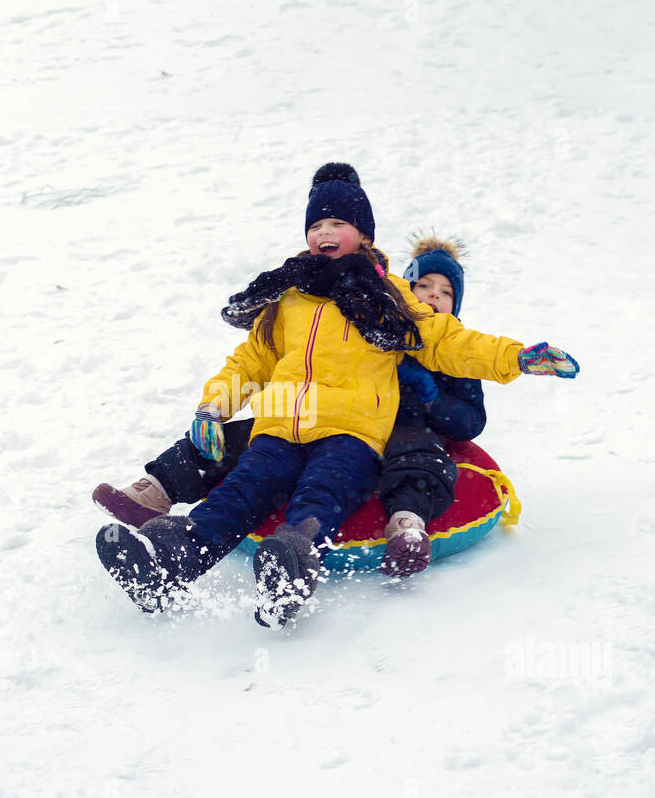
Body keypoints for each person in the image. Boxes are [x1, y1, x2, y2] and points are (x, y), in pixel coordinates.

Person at [95, 162, 579, 628]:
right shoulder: (288, 296)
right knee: (242, 489)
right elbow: (252, 361)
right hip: (281, 424)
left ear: (364, 235)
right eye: (317, 223)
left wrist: (516, 357)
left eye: (339, 222)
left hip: (351, 431)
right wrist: (212, 407)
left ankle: (291, 569)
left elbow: (447, 340)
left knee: (321, 496)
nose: (325, 231)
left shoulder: (388, 295)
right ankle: (167, 566)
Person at [92, 234, 484, 579]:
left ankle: (407, 526)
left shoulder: (450, 348)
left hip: (399, 431)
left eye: (446, 291)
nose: (433, 295)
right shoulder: (381, 322)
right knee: (249, 434)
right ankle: (158, 489)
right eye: (423, 285)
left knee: (421, 457)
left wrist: (430, 396)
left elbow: (470, 421)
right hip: (338, 418)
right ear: (402, 291)